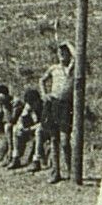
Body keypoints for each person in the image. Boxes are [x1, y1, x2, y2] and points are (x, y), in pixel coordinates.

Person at [39, 42, 77, 184]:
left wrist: (68, 43)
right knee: (54, 139)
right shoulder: (54, 68)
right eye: (59, 52)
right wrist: (44, 94)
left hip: (66, 106)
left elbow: (78, 56)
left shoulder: (72, 68)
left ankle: (71, 171)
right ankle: (56, 172)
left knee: (65, 141)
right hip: (53, 104)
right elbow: (42, 80)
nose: (61, 55)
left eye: (64, 52)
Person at [7, 87, 43, 170]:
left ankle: (36, 161)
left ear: (37, 101)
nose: (31, 106)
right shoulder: (29, 107)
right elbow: (21, 120)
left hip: (44, 130)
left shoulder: (43, 106)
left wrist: (30, 129)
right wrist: (21, 125)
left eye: (32, 103)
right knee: (16, 129)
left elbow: (43, 124)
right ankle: (16, 157)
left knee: (39, 131)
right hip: (32, 128)